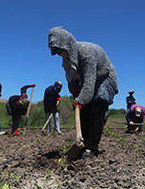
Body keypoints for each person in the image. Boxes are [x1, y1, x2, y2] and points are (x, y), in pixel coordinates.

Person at [48, 26, 118, 159]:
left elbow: (90, 79)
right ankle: (83, 144)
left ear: (66, 45)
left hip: (104, 78)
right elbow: (71, 77)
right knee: (84, 112)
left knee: (96, 110)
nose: (59, 54)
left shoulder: (86, 52)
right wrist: (74, 89)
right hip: (87, 82)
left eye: (60, 50)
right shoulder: (67, 59)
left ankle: (91, 148)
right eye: (56, 52)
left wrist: (81, 99)